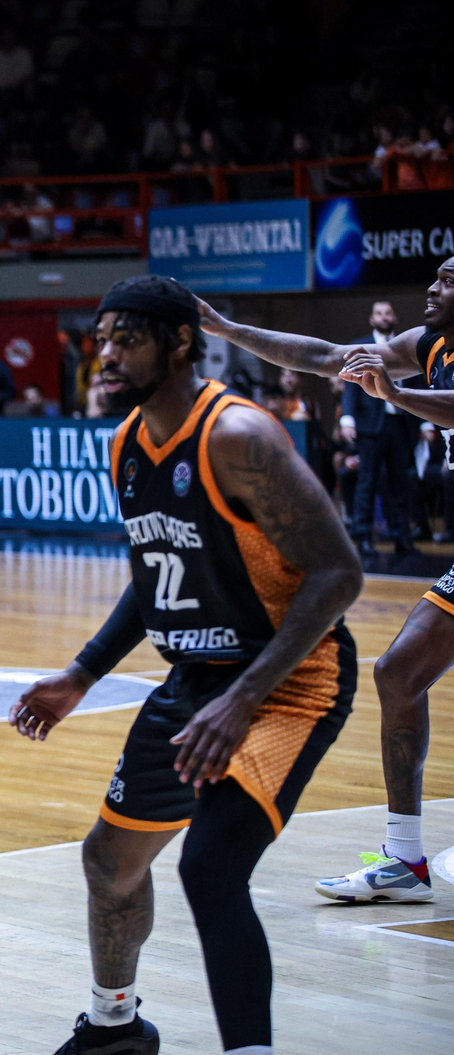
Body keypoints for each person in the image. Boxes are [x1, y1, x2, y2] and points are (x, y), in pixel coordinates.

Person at [11, 275, 363, 1055]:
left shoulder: (241, 436)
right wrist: (83, 672)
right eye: (100, 339)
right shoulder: (126, 443)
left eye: (123, 339)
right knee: (110, 860)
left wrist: (242, 699)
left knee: (209, 868)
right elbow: (155, 571)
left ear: (178, 344)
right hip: (198, 686)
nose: (103, 356)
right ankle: (115, 1028)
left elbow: (340, 572)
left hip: (289, 683)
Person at [196, 257, 454, 905]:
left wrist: (396, 398)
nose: (433, 287)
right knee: (398, 673)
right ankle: (404, 860)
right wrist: (227, 328)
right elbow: (329, 353)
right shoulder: (431, 346)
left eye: (448, 279)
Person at [338, 301, 418, 556]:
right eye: (379, 313)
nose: (385, 317)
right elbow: (350, 385)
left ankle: (402, 538)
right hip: (369, 424)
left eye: (389, 313)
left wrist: (427, 421)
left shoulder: (407, 345)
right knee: (367, 482)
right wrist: (347, 418)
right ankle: (363, 537)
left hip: (401, 422)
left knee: (400, 484)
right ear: (372, 319)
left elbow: (420, 383)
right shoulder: (360, 345)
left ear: (394, 317)